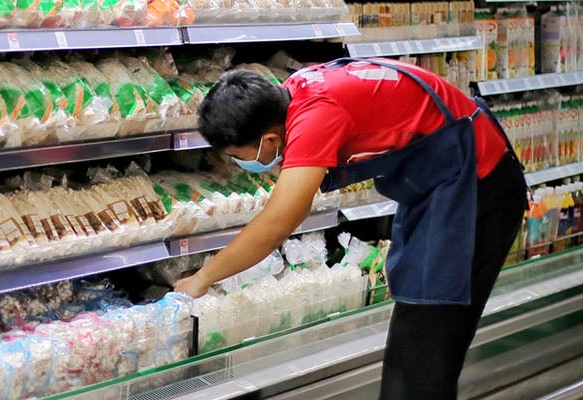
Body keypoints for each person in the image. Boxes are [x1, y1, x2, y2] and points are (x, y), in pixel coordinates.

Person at [172, 58, 528, 399]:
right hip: (444, 185)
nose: (239, 164)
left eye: (239, 155)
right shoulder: (294, 92)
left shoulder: (316, 115)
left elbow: (278, 222)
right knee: (418, 331)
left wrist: (204, 277)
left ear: (268, 140)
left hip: (478, 187)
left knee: (426, 339)